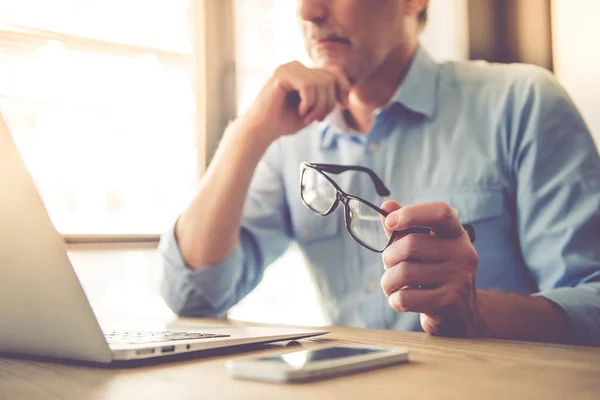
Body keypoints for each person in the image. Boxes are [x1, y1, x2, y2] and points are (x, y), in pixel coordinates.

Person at [159, 0, 600, 345]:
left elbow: (593, 302)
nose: (308, 12)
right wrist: (248, 132)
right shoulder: (289, 140)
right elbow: (193, 295)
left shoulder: (522, 104)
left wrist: (475, 312)